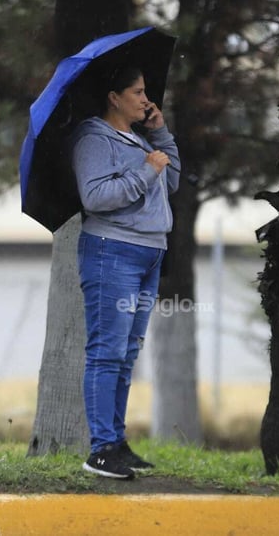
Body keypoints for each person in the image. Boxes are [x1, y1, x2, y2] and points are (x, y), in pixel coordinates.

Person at [70, 65, 181, 479]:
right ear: (114, 97)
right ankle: (100, 451)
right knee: (107, 351)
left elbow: (171, 184)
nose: (145, 99)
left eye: (145, 91)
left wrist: (161, 134)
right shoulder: (93, 138)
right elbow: (96, 197)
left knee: (127, 353)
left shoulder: (138, 138)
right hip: (111, 251)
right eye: (136, 92)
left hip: (149, 252)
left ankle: (116, 441)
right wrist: (146, 170)